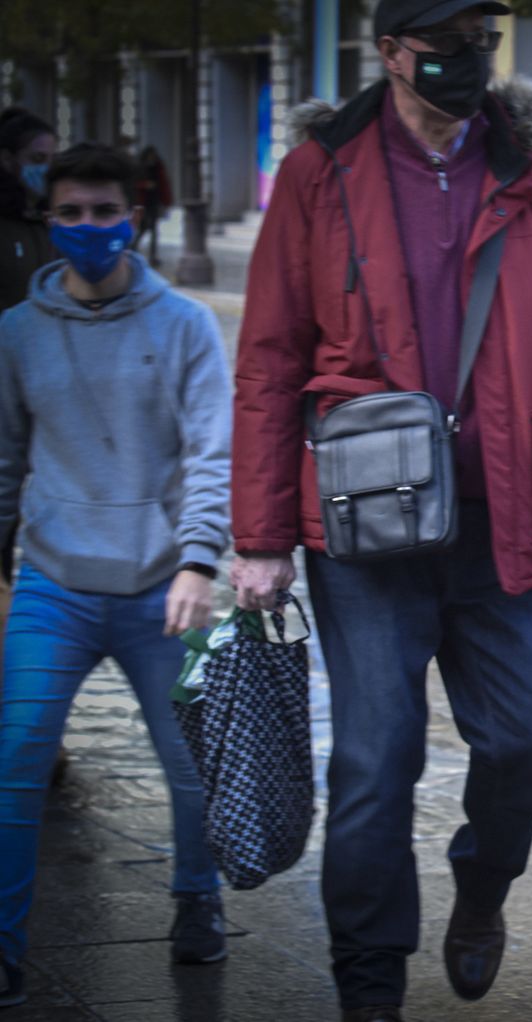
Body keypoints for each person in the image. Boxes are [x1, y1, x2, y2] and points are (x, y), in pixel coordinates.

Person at [228, 0, 532, 1018]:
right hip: (366, 529)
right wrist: (262, 534)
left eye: (480, 41)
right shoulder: (323, 173)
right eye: (443, 44)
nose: (467, 60)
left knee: (528, 734)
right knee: (374, 758)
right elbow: (270, 356)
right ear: (391, 51)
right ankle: (368, 983)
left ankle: (481, 887)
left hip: (511, 516)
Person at [0, 142, 232, 1010]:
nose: (89, 228)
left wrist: (199, 559)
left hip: (162, 587)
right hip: (53, 587)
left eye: (104, 212)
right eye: (72, 214)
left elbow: (212, 452)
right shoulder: (17, 335)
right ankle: (4, 950)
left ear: (132, 218)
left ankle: (195, 896)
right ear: (48, 221)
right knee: (16, 761)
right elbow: (4, 461)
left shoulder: (184, 325)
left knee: (190, 763)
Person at [0, 109, 57, 313]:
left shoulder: (54, 219)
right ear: (7, 159)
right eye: (38, 159)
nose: (48, 169)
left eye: (53, 159)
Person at [132, 145, 173, 267]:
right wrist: (145, 185)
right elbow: (133, 184)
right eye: (150, 156)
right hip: (142, 203)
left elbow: (164, 184)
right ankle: (132, 249)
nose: (152, 158)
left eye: (153, 156)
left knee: (154, 231)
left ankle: (152, 256)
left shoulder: (158, 167)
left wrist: (166, 201)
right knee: (143, 228)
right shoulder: (140, 168)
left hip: (154, 203)